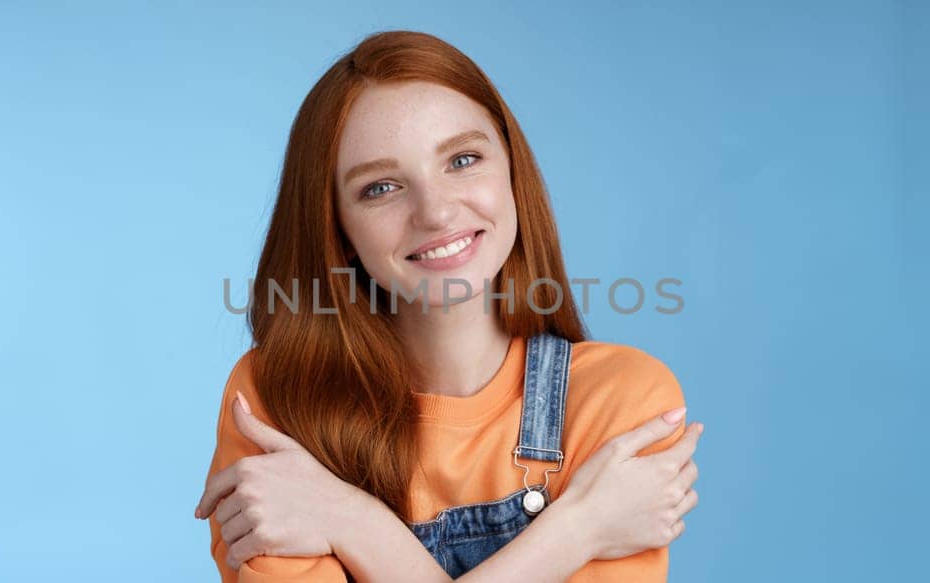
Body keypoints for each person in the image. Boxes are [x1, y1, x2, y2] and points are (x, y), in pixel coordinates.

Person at [194, 30, 703, 582]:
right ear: (336, 228)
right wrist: (579, 529)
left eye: (462, 159)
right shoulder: (278, 400)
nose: (435, 213)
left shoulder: (618, 400)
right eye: (380, 188)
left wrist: (351, 524)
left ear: (512, 171)